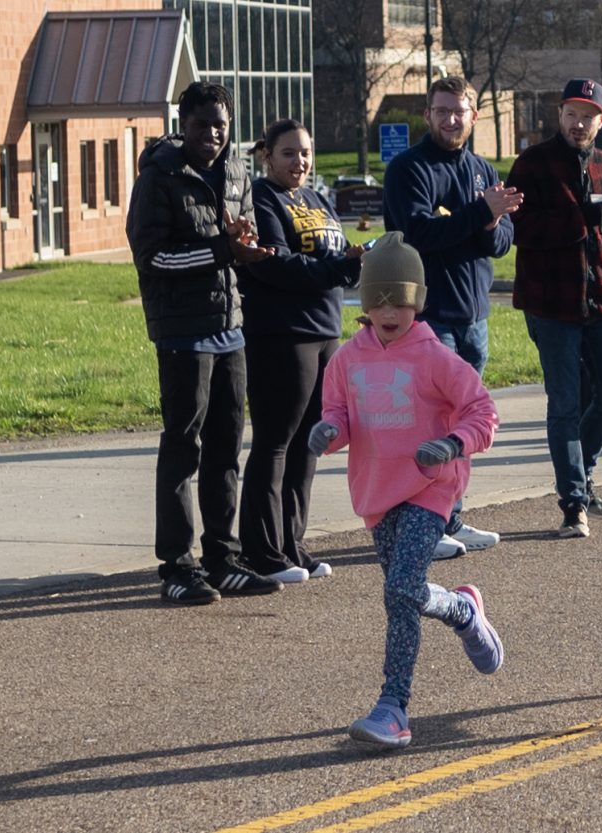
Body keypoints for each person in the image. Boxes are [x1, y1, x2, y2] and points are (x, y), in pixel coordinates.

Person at [307, 232, 503, 748]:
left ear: (417, 299)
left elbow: (483, 412)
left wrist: (453, 444)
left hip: (431, 489)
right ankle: (463, 610)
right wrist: (328, 433)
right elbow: (338, 413)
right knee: (408, 593)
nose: (389, 310)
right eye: (377, 300)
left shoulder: (435, 356)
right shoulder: (348, 358)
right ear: (365, 303)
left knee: (398, 594)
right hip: (378, 492)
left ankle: (393, 708)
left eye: (399, 299)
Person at [126, 81, 284, 605]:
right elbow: (154, 259)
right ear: (183, 123)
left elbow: (247, 239)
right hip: (182, 334)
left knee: (225, 448)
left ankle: (222, 557)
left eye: (220, 125)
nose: (212, 134)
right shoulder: (159, 177)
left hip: (230, 329)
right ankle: (177, 566)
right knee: (183, 448)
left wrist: (251, 249)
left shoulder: (238, 171)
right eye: (202, 125)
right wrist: (223, 251)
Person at [506, 79, 602, 538]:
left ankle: (583, 474)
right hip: (549, 304)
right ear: (560, 114)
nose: (578, 123)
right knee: (566, 403)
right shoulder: (533, 164)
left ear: (601, 120)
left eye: (587, 115)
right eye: (571, 113)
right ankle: (573, 501)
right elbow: (516, 226)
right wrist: (577, 222)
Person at [382, 76, 521, 560]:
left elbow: (503, 241)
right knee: (429, 426)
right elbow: (417, 234)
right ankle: (423, 524)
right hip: (427, 318)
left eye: (459, 111)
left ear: (474, 115)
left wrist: (482, 220)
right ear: (428, 115)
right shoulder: (409, 169)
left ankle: (451, 516)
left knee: (463, 426)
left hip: (474, 316)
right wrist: (479, 214)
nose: (451, 119)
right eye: (442, 111)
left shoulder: (484, 171)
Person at [237, 119, 364, 583]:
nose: (300, 161)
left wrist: (350, 265)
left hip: (326, 331)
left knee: (309, 444)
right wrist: (335, 269)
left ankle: (294, 544)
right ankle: (263, 552)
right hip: (281, 334)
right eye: (289, 153)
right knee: (275, 441)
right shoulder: (261, 198)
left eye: (306, 153)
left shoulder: (316, 198)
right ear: (267, 155)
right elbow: (276, 265)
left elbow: (331, 260)